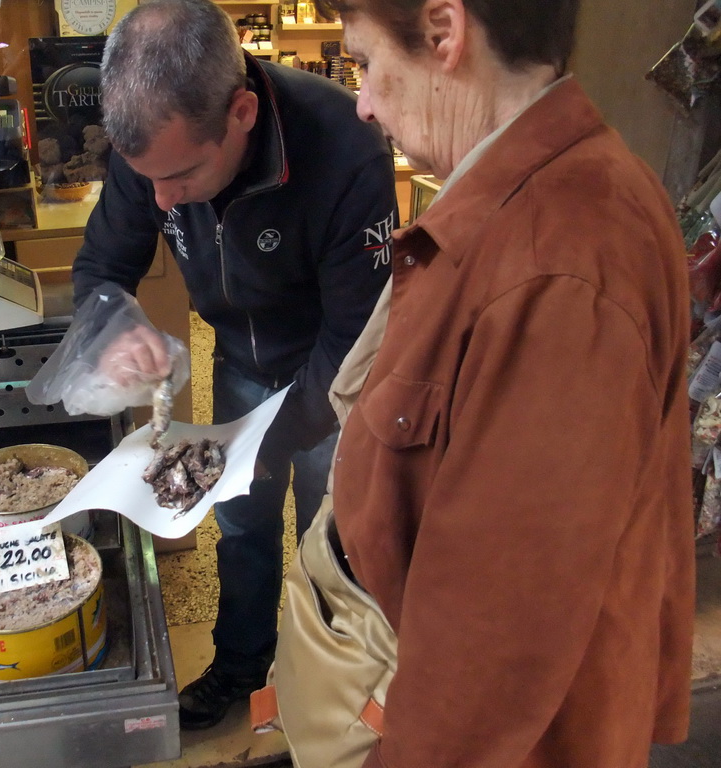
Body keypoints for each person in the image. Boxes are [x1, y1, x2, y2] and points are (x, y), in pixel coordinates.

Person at [298, 0, 696, 765]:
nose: (364, 101)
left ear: (445, 34)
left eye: (366, 63)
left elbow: (496, 638)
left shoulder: (559, 263)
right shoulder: (536, 194)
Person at [71, 0, 398, 730]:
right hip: (240, 355)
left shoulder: (347, 148)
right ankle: (240, 667)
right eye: (146, 180)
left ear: (242, 112)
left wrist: (249, 445)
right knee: (242, 526)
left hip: (330, 371)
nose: (162, 200)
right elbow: (100, 267)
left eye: (182, 175)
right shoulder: (153, 141)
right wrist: (115, 327)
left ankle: (322, 694)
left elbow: (354, 344)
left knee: (330, 538)